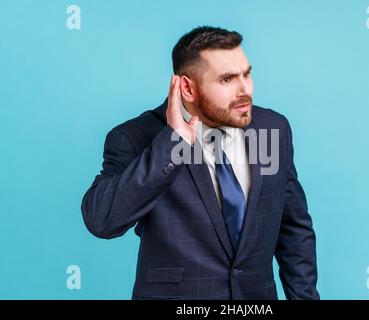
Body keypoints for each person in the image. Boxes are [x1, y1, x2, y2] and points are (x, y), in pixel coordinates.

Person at [81, 26, 319, 300]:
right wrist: (173, 142)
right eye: (228, 79)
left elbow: (294, 230)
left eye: (247, 74)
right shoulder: (134, 138)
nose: (245, 90)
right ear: (187, 88)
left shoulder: (273, 129)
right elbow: (101, 221)